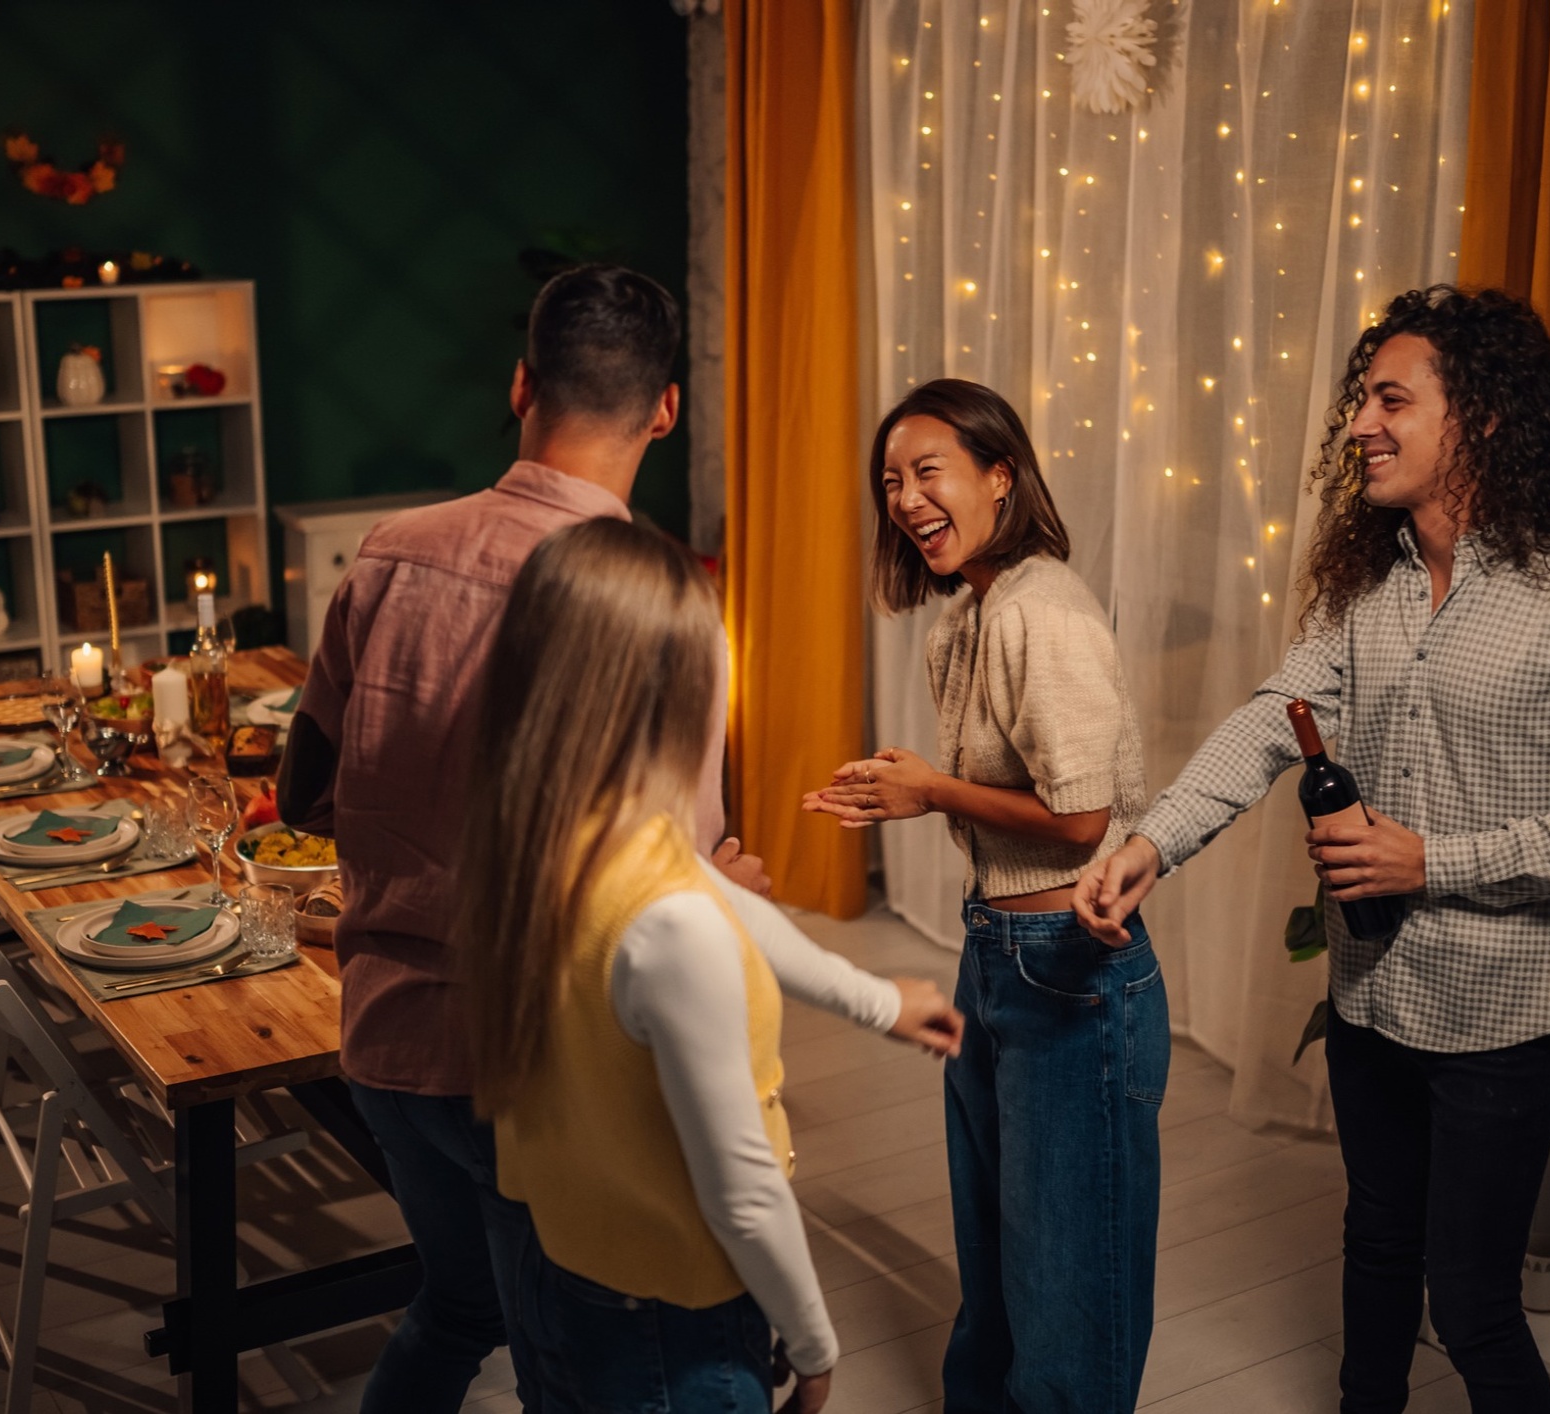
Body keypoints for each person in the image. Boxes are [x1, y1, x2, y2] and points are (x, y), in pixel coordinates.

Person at [279, 264, 959, 1413]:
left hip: (383, 1040)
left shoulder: (390, 551)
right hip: (539, 1083)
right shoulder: (654, 611)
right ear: (667, 410)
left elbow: (306, 795)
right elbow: (666, 880)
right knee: (576, 1367)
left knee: (457, 1308)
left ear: (521, 386)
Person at [1076, 285, 1550, 1413]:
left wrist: (1431, 861)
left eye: (1392, 400)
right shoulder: (1373, 584)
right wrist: (1155, 839)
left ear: (1481, 416)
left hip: (1503, 1015)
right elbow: (1276, 715)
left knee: (1474, 1300)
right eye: (1364, 402)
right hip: (1372, 991)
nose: (1360, 425)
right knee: (1377, 1244)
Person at [458, 517, 962, 1414]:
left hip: (563, 1264)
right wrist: (814, 1346)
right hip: (671, 1323)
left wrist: (877, 1000)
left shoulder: (543, 835)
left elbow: (722, 901)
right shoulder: (670, 924)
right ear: (673, 692)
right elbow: (742, 1193)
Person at [802, 378, 1163, 1413]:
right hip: (997, 951)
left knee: (1068, 1279)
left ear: (1001, 476)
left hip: (1073, 970)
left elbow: (1083, 819)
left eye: (929, 472)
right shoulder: (965, 619)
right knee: (1000, 1248)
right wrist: (912, 787)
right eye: (890, 481)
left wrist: (929, 791)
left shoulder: (1042, 611)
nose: (907, 499)